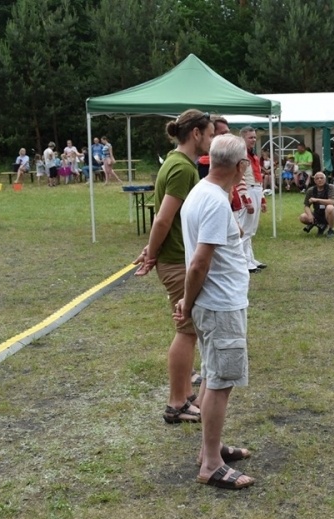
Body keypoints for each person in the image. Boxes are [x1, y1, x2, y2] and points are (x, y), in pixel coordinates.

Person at [174, 134, 254, 490]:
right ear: (238, 166)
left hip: (215, 302)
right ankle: (210, 463)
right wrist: (187, 303)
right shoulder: (215, 201)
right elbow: (198, 263)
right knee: (221, 382)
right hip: (220, 305)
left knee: (211, 375)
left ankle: (211, 445)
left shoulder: (203, 192)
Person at [133, 109, 214, 425]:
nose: (210, 140)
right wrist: (152, 254)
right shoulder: (182, 168)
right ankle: (176, 402)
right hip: (177, 261)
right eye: (208, 134)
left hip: (175, 257)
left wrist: (152, 251)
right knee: (186, 331)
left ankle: (183, 396)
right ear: (195, 134)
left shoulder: (177, 163)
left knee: (188, 331)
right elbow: (163, 217)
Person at [237, 126, 267, 273]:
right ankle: (243, 261)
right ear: (243, 138)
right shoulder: (241, 155)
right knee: (246, 227)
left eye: (254, 137)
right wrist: (245, 197)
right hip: (248, 189)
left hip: (256, 188)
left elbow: (258, 176)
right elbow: (240, 177)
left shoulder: (253, 155)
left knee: (251, 228)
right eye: (250, 137)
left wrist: (262, 198)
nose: (253, 140)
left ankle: (249, 258)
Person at [299, 172, 334, 238]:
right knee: (303, 217)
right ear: (314, 181)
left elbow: (332, 202)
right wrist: (310, 215)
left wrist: (316, 200)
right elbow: (306, 205)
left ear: (325, 179)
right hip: (317, 213)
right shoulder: (310, 190)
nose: (319, 180)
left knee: (330, 207)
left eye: (321, 178)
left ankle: (331, 229)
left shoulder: (330, 187)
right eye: (317, 178)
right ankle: (320, 225)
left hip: (331, 213)